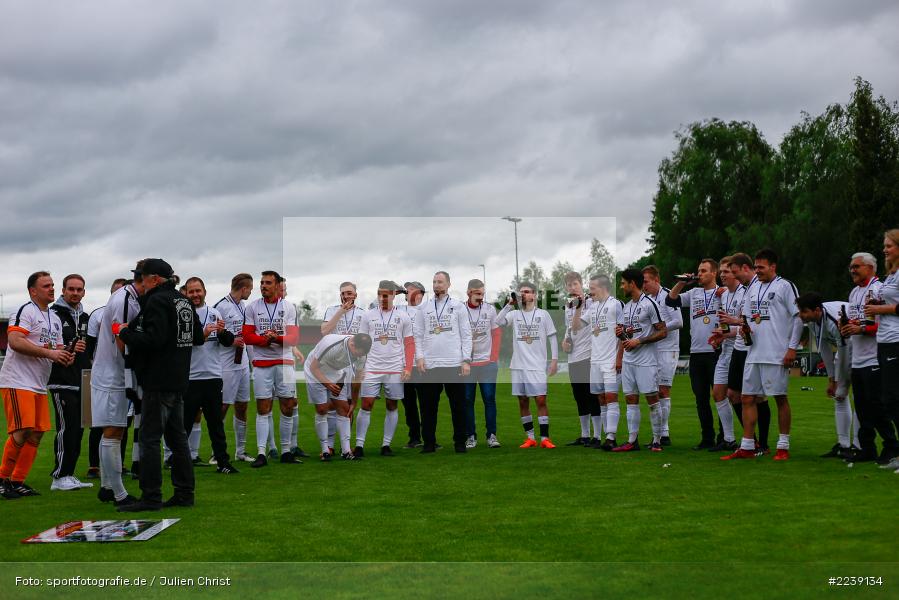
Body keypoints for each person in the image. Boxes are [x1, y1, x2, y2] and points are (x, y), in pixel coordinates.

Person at [117, 259, 205, 511]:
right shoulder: (183, 300)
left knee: (149, 438)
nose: (140, 283)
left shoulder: (156, 300)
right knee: (177, 439)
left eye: (142, 277)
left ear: (154, 278)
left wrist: (125, 333)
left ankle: (151, 496)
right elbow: (197, 337)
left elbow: (154, 339)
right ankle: (184, 493)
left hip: (158, 378)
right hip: (179, 377)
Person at [0, 272, 75, 499]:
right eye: (46, 286)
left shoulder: (53, 318)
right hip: (18, 380)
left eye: (52, 285)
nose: (52, 289)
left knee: (37, 434)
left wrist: (66, 356)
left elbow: (57, 350)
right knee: (22, 430)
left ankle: (17, 481)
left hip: (39, 384)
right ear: (33, 291)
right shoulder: (25, 311)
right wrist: (50, 353)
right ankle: (2, 479)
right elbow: (14, 341)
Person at [722, 249, 801, 461]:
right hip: (753, 352)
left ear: (773, 267)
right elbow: (747, 318)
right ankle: (747, 446)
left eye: (761, 267)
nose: (758, 271)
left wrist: (792, 348)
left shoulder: (785, 286)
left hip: (776, 353)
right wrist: (745, 329)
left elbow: (798, 317)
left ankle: (783, 445)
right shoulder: (753, 287)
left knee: (779, 398)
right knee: (747, 397)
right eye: (756, 267)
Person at [91, 261, 145, 506]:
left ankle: (106, 487)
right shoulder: (124, 299)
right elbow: (121, 337)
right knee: (113, 431)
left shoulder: (127, 297)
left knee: (113, 430)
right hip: (113, 373)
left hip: (112, 372)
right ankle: (120, 494)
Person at [839, 251, 897, 464]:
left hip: (875, 356)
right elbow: (857, 322)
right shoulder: (854, 292)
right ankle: (867, 447)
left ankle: (891, 446)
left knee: (877, 405)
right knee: (862, 407)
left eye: (857, 266)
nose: (852, 270)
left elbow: (884, 323)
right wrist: (846, 326)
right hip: (858, 358)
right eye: (851, 267)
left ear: (870, 268)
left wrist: (861, 329)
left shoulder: (879, 289)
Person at [242, 271, 301, 467]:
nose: (263, 286)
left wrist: (275, 338)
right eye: (262, 283)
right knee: (263, 408)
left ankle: (285, 451)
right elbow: (248, 336)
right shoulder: (252, 307)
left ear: (277, 286)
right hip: (261, 364)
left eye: (268, 283)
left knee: (287, 406)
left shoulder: (289, 307)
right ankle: (261, 453)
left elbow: (293, 339)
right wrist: (265, 340)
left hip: (284, 362)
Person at [716, 252, 773, 454]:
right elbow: (744, 320)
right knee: (733, 394)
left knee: (758, 397)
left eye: (733, 272)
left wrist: (735, 322)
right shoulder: (746, 289)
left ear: (744, 269)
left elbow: (754, 319)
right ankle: (753, 440)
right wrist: (724, 333)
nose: (731, 275)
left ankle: (763, 444)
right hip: (739, 346)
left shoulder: (755, 288)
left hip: (753, 348)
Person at [183, 277, 239, 474]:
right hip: (190, 377)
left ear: (204, 291)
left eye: (198, 291)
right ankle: (178, 460)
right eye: (191, 292)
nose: (195, 295)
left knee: (216, 423)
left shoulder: (215, 313)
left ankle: (223, 462)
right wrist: (204, 333)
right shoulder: (183, 314)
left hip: (213, 376)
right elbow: (186, 343)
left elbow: (226, 341)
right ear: (186, 293)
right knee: (185, 423)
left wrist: (223, 333)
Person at [666, 259, 723, 450]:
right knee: (701, 399)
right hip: (696, 352)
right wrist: (683, 281)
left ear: (714, 273)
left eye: (704, 270)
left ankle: (725, 437)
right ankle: (707, 437)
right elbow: (671, 300)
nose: (700, 273)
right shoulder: (694, 293)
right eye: (698, 270)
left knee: (720, 397)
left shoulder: (722, 293)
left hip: (716, 352)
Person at [495, 281, 559, 449]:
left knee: (541, 400)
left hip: (537, 365)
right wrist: (509, 305)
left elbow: (552, 337)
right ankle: (530, 438)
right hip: (518, 365)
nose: (523, 294)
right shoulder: (514, 314)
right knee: (523, 401)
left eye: (527, 291)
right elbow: (498, 321)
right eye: (521, 291)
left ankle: (545, 438)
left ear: (534, 295)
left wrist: (554, 360)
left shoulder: (543, 314)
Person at [414, 271, 472, 454]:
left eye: (440, 282)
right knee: (428, 407)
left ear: (448, 284)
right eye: (434, 282)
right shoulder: (423, 308)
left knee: (458, 406)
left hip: (453, 363)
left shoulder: (458, 307)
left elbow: (466, 334)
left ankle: (460, 443)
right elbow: (417, 335)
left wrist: (465, 360)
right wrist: (420, 357)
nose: (437, 285)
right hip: (430, 364)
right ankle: (429, 443)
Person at [356, 281, 414, 457]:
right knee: (366, 404)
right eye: (380, 294)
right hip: (372, 367)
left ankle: (386, 445)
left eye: (386, 294)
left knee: (392, 404)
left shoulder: (403, 316)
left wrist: (408, 367)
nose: (382, 297)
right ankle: (359, 445)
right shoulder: (368, 315)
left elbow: (409, 343)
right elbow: (360, 342)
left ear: (394, 295)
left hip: (395, 367)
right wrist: (360, 366)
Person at [47, 274, 94, 491]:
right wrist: (69, 347)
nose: (75, 293)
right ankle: (59, 476)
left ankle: (69, 474)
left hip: (83, 379)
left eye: (79, 289)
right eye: (71, 289)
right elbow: (47, 345)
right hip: (61, 380)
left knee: (78, 429)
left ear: (84, 292)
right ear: (63, 291)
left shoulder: (85, 317)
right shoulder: (53, 315)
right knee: (67, 428)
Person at [613, 269, 668, 452]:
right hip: (629, 361)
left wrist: (640, 340)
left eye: (623, 283)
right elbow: (627, 335)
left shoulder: (650, 304)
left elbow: (662, 331)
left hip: (646, 361)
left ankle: (657, 441)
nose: (621, 286)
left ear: (632, 284)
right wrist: (622, 335)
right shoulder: (626, 307)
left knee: (652, 400)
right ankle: (632, 441)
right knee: (631, 400)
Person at [796, 292, 855, 459]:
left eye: (804, 311)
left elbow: (843, 351)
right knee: (840, 396)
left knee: (850, 395)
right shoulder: (815, 321)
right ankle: (844, 445)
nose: (801, 315)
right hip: (847, 349)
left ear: (816, 310)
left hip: (859, 348)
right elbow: (824, 349)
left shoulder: (834, 320)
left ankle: (858, 445)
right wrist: (831, 379)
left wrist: (838, 380)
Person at [572, 274, 624, 450]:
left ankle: (611, 436)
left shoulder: (615, 304)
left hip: (610, 359)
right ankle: (604, 437)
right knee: (601, 398)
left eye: (592, 288)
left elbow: (624, 332)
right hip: (595, 360)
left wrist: (619, 358)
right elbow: (576, 327)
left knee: (611, 397)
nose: (589, 291)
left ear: (603, 288)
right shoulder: (593, 307)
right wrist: (578, 308)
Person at [84, 278, 127, 480]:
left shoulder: (133, 310)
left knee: (122, 423)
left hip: (124, 374)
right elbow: (91, 345)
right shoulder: (98, 314)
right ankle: (94, 465)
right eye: (116, 292)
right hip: (102, 376)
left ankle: (118, 466)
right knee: (98, 423)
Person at [305, 333, 372, 460]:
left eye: (362, 354)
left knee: (344, 409)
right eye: (358, 353)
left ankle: (346, 451)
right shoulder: (330, 344)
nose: (359, 356)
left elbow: (357, 378)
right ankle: (325, 450)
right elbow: (313, 367)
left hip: (336, 371)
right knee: (322, 409)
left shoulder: (362, 354)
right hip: (315, 370)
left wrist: (354, 402)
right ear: (352, 344)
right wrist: (328, 384)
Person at [865, 229, 899, 471]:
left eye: (889, 245)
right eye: (884, 245)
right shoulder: (891, 275)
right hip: (884, 340)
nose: (885, 249)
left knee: (893, 398)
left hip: (897, 339)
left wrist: (879, 310)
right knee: (888, 399)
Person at [213, 273, 254, 462]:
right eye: (250, 289)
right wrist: (231, 341)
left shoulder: (243, 305)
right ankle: (217, 452)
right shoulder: (220, 307)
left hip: (242, 362)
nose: (250, 292)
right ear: (244, 288)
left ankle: (241, 451)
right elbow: (216, 334)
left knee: (242, 405)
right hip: (226, 364)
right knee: (223, 406)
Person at [320, 282, 363, 454]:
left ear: (355, 295)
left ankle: (346, 445)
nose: (346, 296)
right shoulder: (331, 310)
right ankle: (329, 445)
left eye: (349, 293)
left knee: (348, 405)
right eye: (343, 293)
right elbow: (324, 331)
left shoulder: (363, 314)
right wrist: (340, 312)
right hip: (334, 363)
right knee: (332, 404)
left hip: (353, 363)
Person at [642, 265, 683, 445]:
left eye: (646, 281)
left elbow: (679, 321)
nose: (643, 285)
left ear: (656, 280)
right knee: (653, 391)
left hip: (668, 348)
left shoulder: (668, 296)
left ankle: (664, 434)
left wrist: (658, 329)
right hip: (653, 349)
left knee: (663, 390)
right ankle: (658, 433)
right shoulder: (646, 300)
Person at [705, 258, 741, 452]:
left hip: (741, 350)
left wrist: (726, 332)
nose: (723, 275)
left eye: (727, 271)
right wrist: (720, 335)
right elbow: (726, 324)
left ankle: (753, 439)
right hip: (726, 350)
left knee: (743, 396)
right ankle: (729, 439)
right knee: (718, 393)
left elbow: (747, 325)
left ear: (736, 272)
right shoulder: (725, 295)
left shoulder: (745, 293)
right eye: (722, 272)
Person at [462, 278, 501, 449]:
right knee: (467, 400)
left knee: (489, 399)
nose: (481, 297)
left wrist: (493, 357)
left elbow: (496, 333)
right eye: (478, 294)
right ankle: (471, 436)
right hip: (467, 365)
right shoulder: (459, 310)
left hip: (487, 364)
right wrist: (462, 359)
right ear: (469, 292)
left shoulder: (490, 309)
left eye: (483, 294)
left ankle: (492, 435)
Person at [560, 272, 597, 447]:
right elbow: (569, 329)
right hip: (573, 357)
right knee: (579, 397)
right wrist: (565, 341)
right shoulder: (568, 305)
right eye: (569, 285)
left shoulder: (592, 302)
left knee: (592, 395)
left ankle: (597, 436)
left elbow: (580, 325)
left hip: (589, 355)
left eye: (575, 284)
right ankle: (584, 435)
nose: (572, 287)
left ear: (581, 284)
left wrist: (580, 305)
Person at [397, 281, 426, 448]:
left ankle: (429, 437)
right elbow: (376, 304)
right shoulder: (399, 310)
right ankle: (414, 437)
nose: (410, 293)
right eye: (407, 291)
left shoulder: (428, 310)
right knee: (409, 404)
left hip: (422, 364)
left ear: (421, 294)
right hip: (404, 364)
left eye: (413, 290)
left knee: (426, 403)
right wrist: (397, 291)